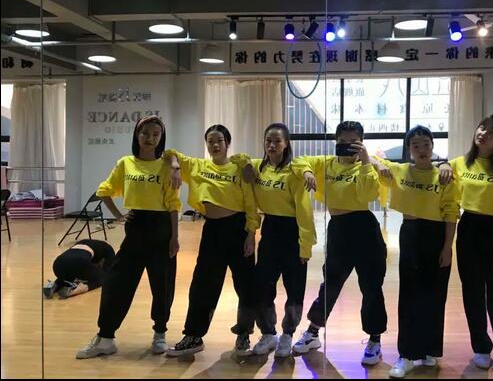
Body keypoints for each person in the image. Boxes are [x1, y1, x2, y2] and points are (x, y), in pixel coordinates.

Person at [76, 115, 181, 359]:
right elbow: (104, 190)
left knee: (163, 285)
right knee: (117, 283)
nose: (149, 138)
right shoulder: (125, 163)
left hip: (162, 229)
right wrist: (119, 215)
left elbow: (174, 204)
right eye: (145, 133)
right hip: (135, 229)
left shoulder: (166, 166)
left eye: (155, 134)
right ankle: (105, 338)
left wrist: (175, 237)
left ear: (161, 138)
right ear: (136, 134)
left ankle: (160, 333)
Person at [290, 121, 387, 366]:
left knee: (371, 286)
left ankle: (375, 340)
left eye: (353, 142)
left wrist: (366, 162)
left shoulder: (367, 166)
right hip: (338, 229)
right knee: (330, 283)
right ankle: (313, 332)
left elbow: (367, 195)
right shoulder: (326, 163)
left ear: (362, 143)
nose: (347, 146)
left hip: (365, 229)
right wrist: (307, 172)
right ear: (335, 142)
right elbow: (298, 161)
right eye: (342, 142)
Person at [371, 125, 460, 378]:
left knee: (435, 294)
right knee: (410, 294)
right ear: (409, 149)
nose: (422, 149)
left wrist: (447, 247)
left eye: (426, 144)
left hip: (437, 235)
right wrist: (378, 164)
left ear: (433, 146)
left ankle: (430, 349)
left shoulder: (445, 176)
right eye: (415, 145)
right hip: (411, 233)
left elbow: (451, 213)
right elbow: (371, 159)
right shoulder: (401, 171)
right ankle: (408, 354)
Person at [165, 124, 260, 357]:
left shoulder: (239, 167)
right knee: (203, 284)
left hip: (238, 228)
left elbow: (250, 202)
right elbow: (169, 153)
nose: (215, 145)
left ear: (227, 143)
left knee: (246, 284)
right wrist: (175, 167)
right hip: (212, 230)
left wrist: (251, 234)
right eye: (210, 141)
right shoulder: (198, 166)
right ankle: (193, 335)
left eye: (219, 140)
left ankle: (244, 334)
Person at [441, 114, 493, 374]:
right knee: (472, 293)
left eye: (492, 133)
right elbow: (443, 167)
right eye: (482, 127)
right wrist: (443, 164)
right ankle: (480, 347)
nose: (484, 134)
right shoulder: (462, 163)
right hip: (469, 230)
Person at [231, 123, 316, 358]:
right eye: (268, 140)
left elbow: (305, 212)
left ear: (286, 144)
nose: (272, 145)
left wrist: (305, 246)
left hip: (292, 232)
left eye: (277, 141)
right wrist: (247, 164)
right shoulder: (259, 167)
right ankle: (268, 333)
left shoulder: (294, 172)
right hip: (270, 231)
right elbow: (237, 157)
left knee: (294, 288)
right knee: (262, 285)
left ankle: (287, 334)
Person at [43, 239, 116, 299]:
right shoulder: (109, 250)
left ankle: (54, 285)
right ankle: (75, 290)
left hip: (58, 264)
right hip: (79, 261)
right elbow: (109, 271)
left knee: (69, 276)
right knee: (103, 278)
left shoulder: (87, 243)